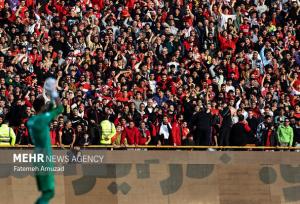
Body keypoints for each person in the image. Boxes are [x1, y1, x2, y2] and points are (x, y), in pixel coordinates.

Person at [27, 78, 64, 204]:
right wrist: (53, 92)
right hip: (44, 155)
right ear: (43, 107)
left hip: (37, 154)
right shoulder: (42, 119)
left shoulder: (31, 120)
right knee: (49, 192)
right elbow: (60, 109)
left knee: (47, 192)